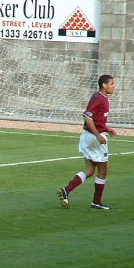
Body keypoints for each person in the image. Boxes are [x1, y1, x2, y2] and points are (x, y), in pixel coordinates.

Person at [57, 74, 117, 210]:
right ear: (104, 85)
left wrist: (107, 128)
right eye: (112, 84)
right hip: (94, 137)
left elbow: (97, 119)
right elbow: (87, 116)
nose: (114, 86)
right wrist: (98, 135)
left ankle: (66, 190)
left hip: (87, 137)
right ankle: (96, 202)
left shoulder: (102, 98)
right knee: (102, 171)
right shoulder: (99, 98)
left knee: (89, 170)